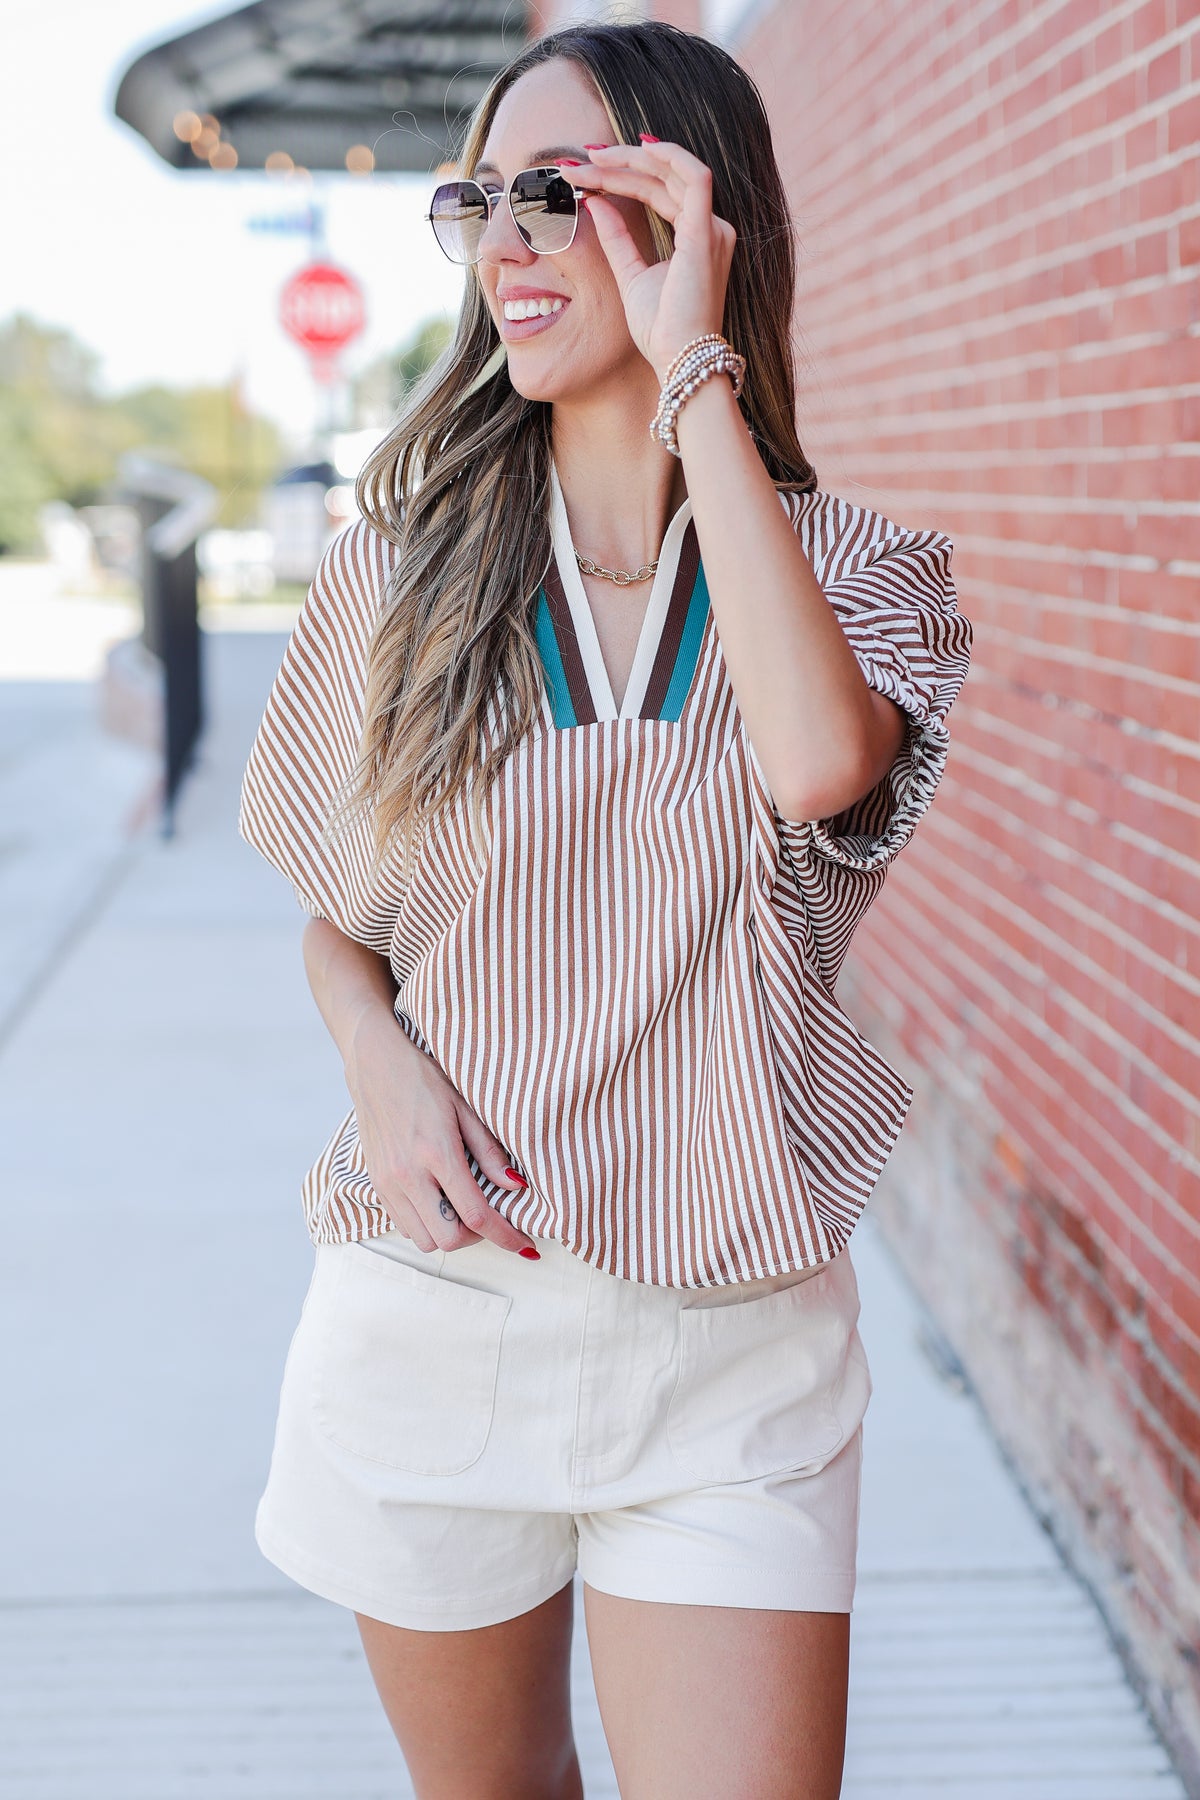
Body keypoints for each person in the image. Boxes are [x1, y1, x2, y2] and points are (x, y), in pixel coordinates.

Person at [237, 18, 972, 1800]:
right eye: (483, 195)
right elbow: (345, 917)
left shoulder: (862, 574)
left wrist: (695, 367)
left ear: (703, 221)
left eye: (564, 191)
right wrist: (375, 1064)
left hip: (733, 1354)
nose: (508, 236)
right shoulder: (400, 575)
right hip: (438, 1316)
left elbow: (812, 767)